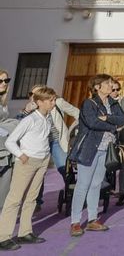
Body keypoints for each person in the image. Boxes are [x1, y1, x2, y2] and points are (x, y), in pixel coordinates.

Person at [68, 74, 124, 236]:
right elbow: (92, 122)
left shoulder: (113, 103)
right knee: (83, 184)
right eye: (107, 83)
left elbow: (123, 118)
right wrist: (112, 127)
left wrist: (107, 118)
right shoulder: (89, 103)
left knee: (96, 184)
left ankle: (93, 219)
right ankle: (75, 222)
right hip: (89, 148)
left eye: (110, 83)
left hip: (105, 149)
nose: (110, 86)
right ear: (97, 87)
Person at [0, 85, 58, 250]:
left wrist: (46, 157)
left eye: (54, 100)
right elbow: (10, 141)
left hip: (42, 161)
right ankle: (3, 236)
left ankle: (25, 232)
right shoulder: (29, 119)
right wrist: (21, 155)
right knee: (15, 199)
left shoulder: (47, 119)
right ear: (39, 102)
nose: (53, 103)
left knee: (31, 198)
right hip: (27, 162)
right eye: (50, 100)